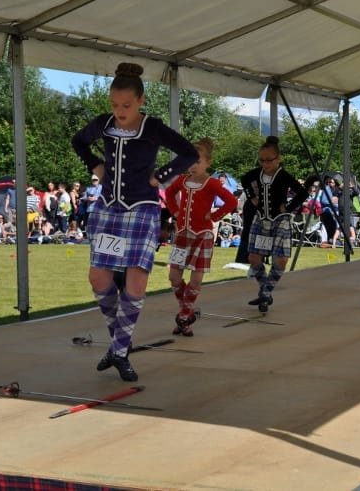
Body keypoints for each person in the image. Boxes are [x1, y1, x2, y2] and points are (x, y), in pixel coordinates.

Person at [71, 62, 198, 381]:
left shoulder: (152, 127)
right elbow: (78, 141)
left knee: (136, 281)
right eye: (115, 105)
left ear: (141, 100)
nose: (120, 111)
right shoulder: (104, 124)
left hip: (142, 208)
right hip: (107, 209)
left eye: (126, 105)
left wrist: (162, 176)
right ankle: (120, 344)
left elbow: (188, 153)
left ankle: (119, 350)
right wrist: (95, 165)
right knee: (98, 278)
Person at [165, 138, 237, 336]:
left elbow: (231, 202)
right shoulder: (181, 180)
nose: (193, 165)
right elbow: (169, 194)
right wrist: (175, 212)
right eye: (189, 160)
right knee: (174, 276)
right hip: (182, 234)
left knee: (196, 280)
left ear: (208, 162)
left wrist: (214, 216)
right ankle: (186, 312)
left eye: (197, 161)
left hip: (202, 236)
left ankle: (184, 316)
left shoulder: (211, 183)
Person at [241, 136, 308, 313]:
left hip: (280, 220)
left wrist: (289, 207)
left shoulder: (283, 176)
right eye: (261, 160)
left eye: (268, 160)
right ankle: (266, 291)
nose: (265, 164)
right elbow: (244, 180)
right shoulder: (256, 174)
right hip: (261, 218)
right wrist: (252, 197)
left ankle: (265, 292)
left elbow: (302, 193)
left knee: (281, 260)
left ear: (278, 159)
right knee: (254, 258)